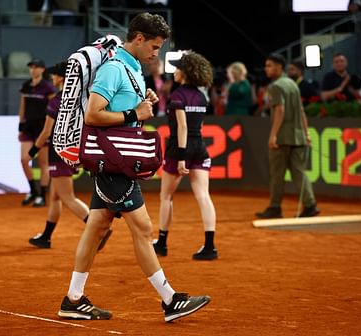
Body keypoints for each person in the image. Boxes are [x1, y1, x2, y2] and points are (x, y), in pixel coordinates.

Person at [57, 12, 211, 322]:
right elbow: (93, 115)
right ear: (138, 39)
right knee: (142, 229)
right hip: (113, 162)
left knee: (96, 227)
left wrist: (142, 103)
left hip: (116, 161)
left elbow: (126, 108)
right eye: (154, 47)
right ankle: (169, 300)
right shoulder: (114, 69)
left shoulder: (133, 70)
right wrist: (133, 113)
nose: (157, 54)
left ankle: (73, 299)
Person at [152, 51, 217, 261]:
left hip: (179, 148)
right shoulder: (201, 96)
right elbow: (198, 126)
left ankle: (161, 243)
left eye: (178, 68)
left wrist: (180, 157)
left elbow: (182, 127)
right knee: (203, 196)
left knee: (166, 197)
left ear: (186, 72)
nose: (175, 71)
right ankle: (210, 246)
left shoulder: (178, 96)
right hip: (199, 147)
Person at [25, 61, 93, 249]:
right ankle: (46, 237)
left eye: (55, 74)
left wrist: (32, 152)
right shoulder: (80, 98)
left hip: (58, 152)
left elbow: (46, 132)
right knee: (55, 197)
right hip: (71, 150)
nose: (52, 77)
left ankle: (98, 228)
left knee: (67, 198)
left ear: (62, 78)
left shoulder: (57, 100)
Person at [255, 54, 320, 219]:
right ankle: (310, 205)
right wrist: (306, 133)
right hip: (298, 137)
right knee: (300, 173)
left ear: (278, 67)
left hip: (282, 138)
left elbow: (280, 110)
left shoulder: (275, 86)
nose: (266, 69)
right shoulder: (292, 84)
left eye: (269, 65)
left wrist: (273, 135)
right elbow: (301, 111)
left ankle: (275, 207)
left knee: (277, 174)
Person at [18, 58, 55, 207]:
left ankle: (42, 195)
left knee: (43, 163)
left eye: (36, 67)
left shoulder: (48, 87)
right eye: (31, 67)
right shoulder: (26, 86)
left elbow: (53, 108)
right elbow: (22, 106)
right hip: (28, 128)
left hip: (43, 129)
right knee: (24, 160)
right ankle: (33, 190)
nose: (33, 70)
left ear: (42, 69)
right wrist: (20, 125)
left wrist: (50, 128)